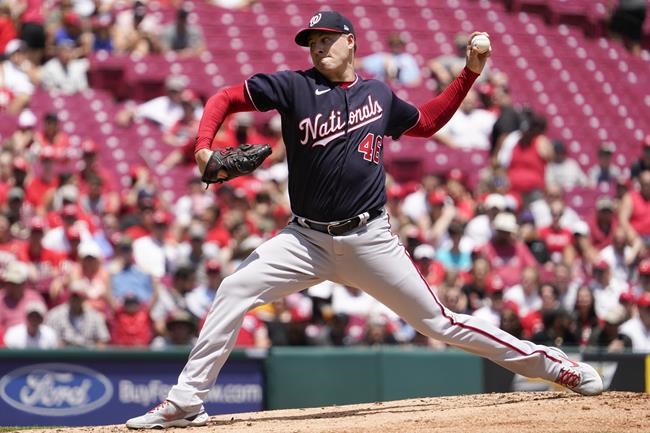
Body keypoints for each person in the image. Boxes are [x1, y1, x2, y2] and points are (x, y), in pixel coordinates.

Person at [125, 10, 602, 430]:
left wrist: (469, 75)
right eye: (312, 41)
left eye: (327, 38)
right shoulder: (295, 85)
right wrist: (203, 147)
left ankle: (554, 365)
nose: (318, 47)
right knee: (234, 289)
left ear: (351, 41)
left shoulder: (378, 93)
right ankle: (188, 400)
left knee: (440, 323)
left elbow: (428, 122)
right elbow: (226, 97)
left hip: (369, 238)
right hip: (305, 239)